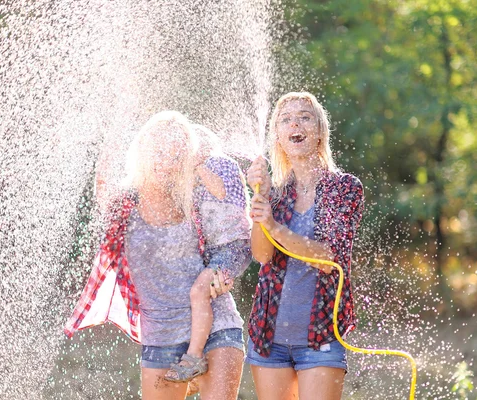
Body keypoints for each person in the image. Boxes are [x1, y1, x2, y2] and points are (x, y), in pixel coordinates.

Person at [64, 111, 251, 400]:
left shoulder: (195, 199)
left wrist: (223, 274)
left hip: (217, 327)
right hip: (161, 338)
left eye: (177, 156)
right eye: (159, 152)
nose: (167, 162)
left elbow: (230, 242)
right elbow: (101, 186)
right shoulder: (123, 206)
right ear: (142, 152)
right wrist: (109, 132)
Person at [246, 92, 364, 400]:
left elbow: (328, 258)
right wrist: (260, 200)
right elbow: (262, 255)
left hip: (321, 335)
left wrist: (273, 225)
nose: (294, 123)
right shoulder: (276, 193)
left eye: (304, 117)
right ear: (279, 137)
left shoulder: (344, 188)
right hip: (269, 337)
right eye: (285, 120)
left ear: (320, 131)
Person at [163, 124, 250, 383]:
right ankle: (193, 369)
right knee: (195, 293)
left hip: (232, 245)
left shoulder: (221, 165)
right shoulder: (191, 179)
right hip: (212, 250)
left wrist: (199, 165)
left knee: (199, 291)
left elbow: (222, 192)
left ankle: (194, 357)